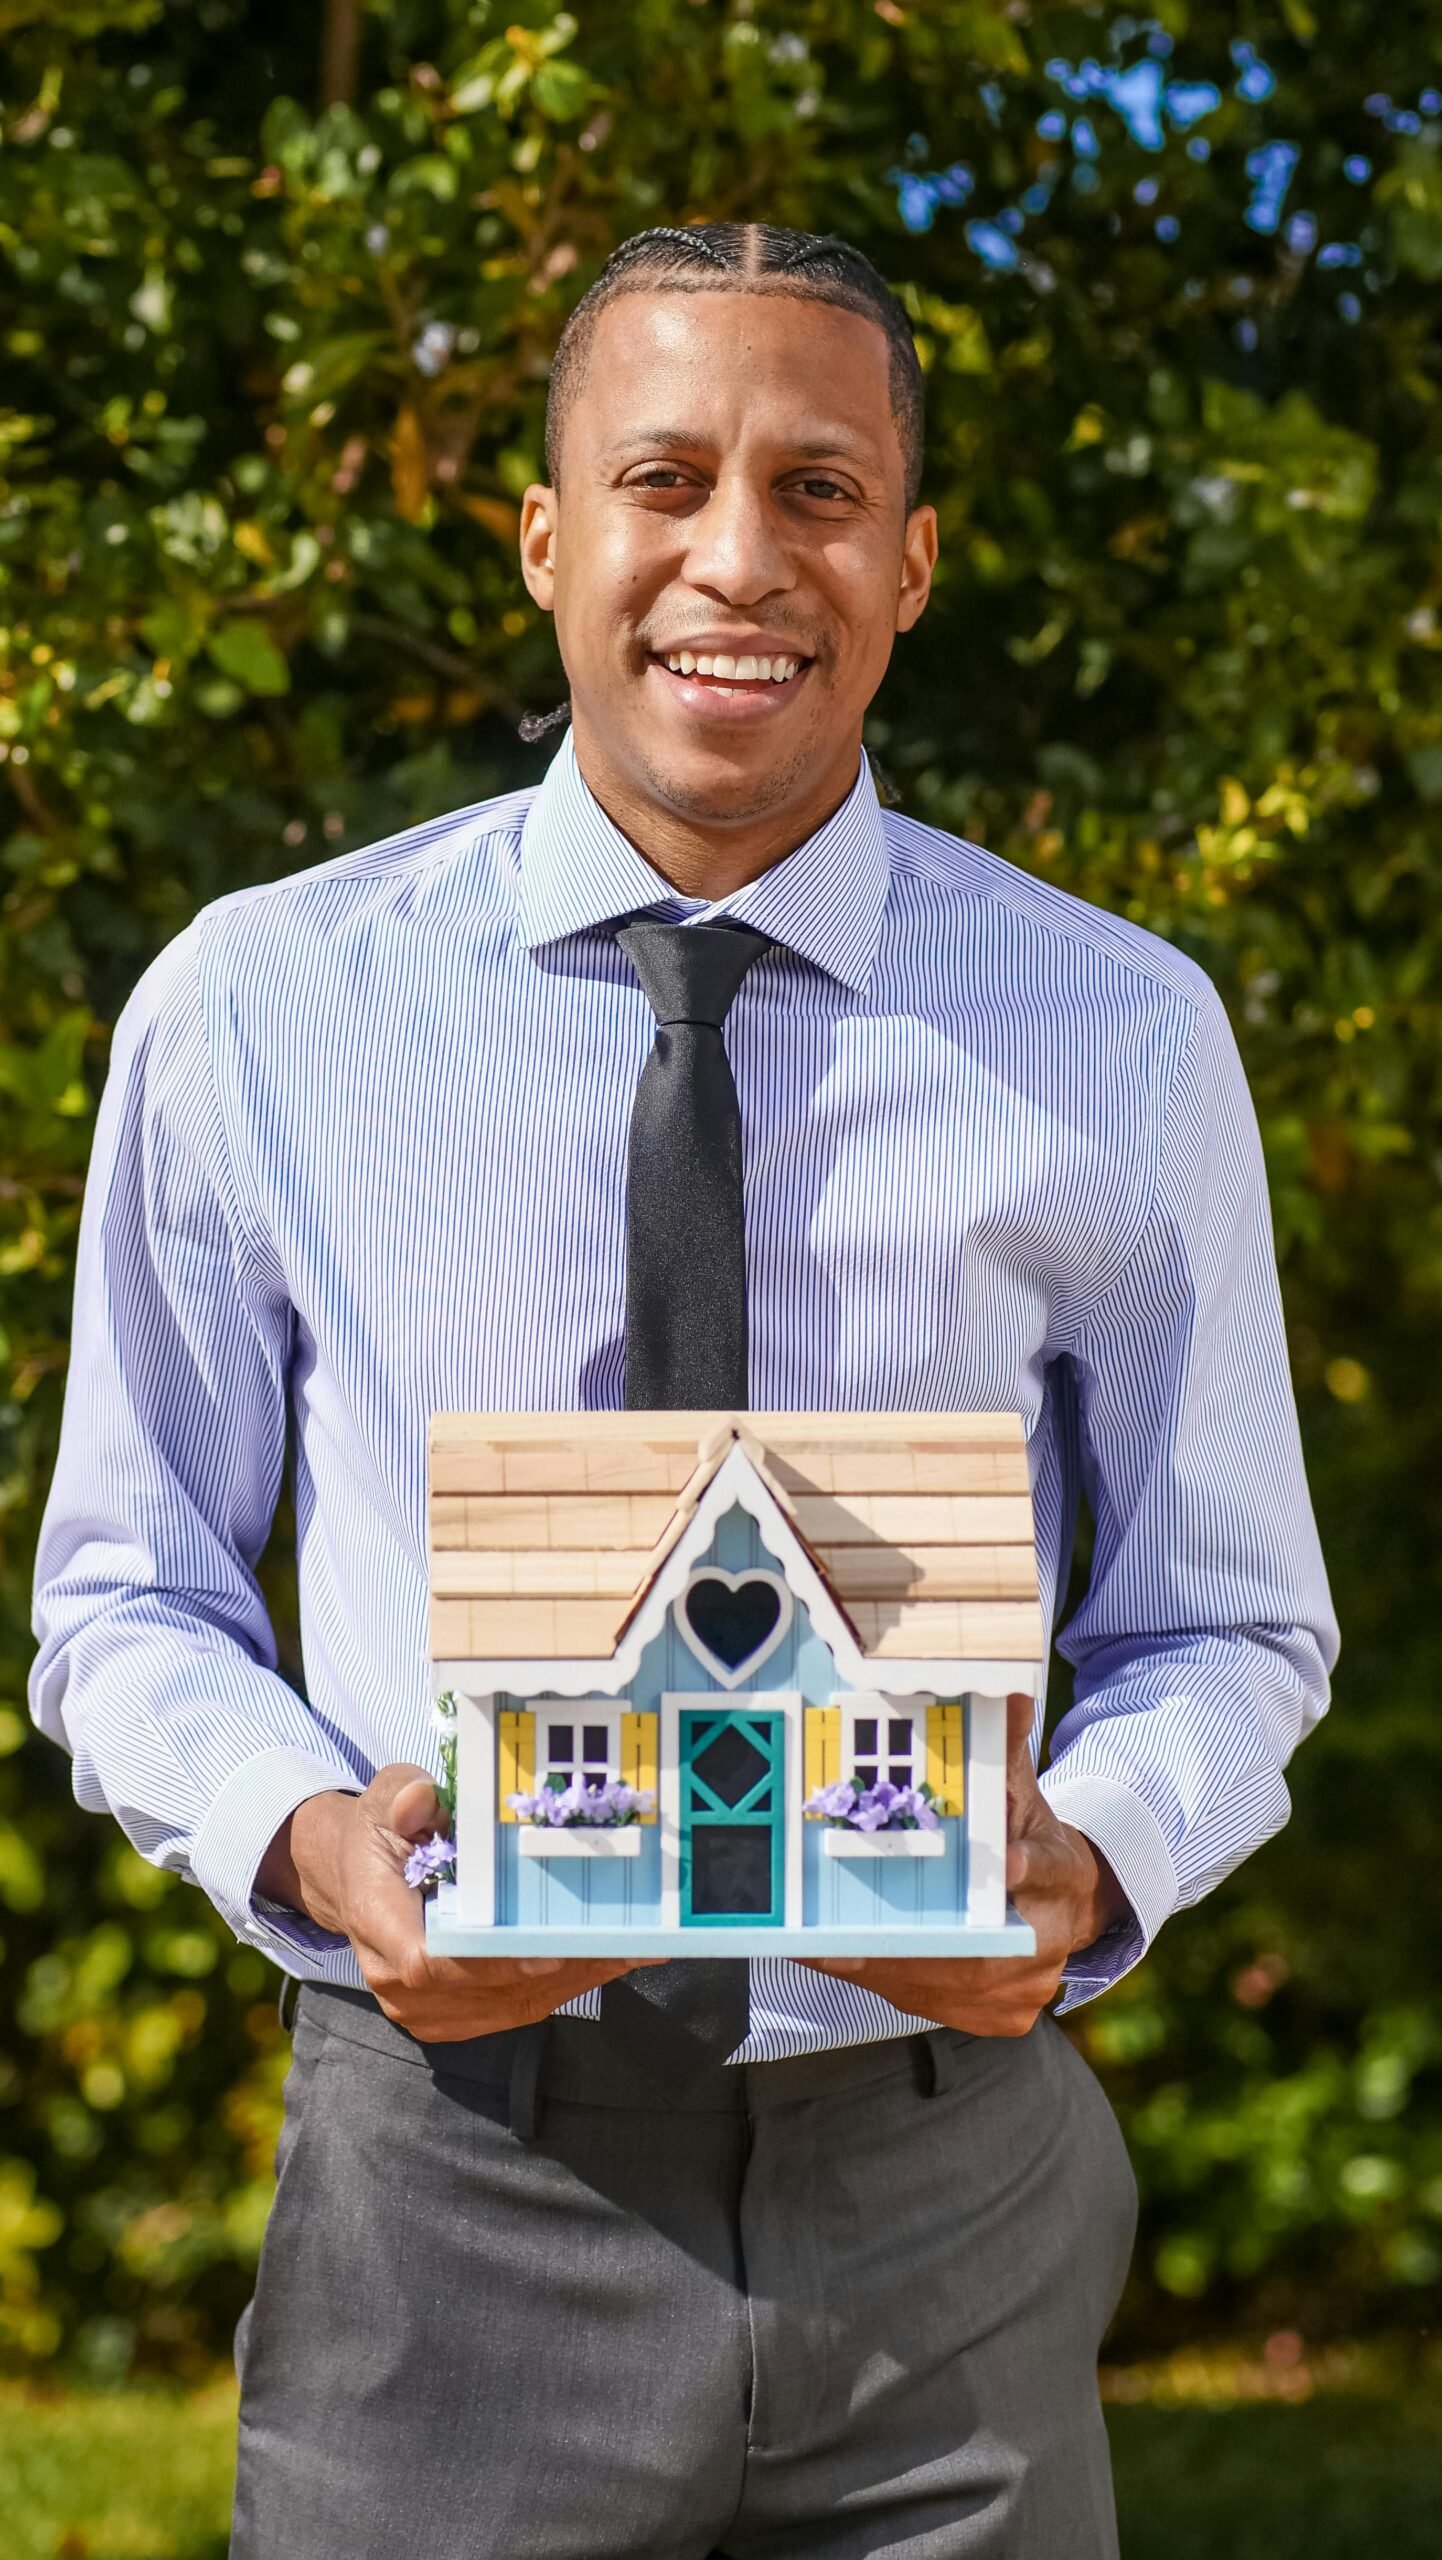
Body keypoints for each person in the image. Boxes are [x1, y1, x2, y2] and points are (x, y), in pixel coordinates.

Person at [30, 224, 1336, 2558]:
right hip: (452, 2187)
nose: (738, 556)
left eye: (818, 488)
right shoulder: (258, 1010)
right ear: (548, 539)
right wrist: (308, 1841)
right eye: (663, 478)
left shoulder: (1122, 1036)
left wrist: (1090, 1850)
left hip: (944, 2203)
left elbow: (1229, 1621)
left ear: (909, 560)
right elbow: (126, 1588)